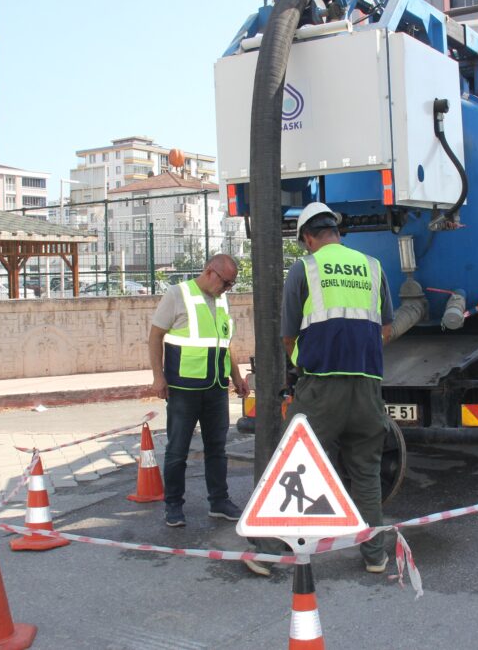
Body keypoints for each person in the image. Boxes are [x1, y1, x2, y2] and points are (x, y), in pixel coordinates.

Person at [245, 202, 395, 576]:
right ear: (336, 232)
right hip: (367, 389)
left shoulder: (305, 268)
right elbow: (386, 329)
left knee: (294, 466)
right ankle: (375, 555)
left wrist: (303, 361)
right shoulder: (373, 267)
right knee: (366, 473)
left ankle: (267, 553)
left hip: (320, 389)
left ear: (308, 237)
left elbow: (287, 335)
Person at [148, 254, 250, 528]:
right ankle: (173, 505)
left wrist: (237, 376)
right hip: (184, 388)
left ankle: (219, 501)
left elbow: (226, 342)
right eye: (225, 282)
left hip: (216, 386)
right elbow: (155, 335)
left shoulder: (222, 300)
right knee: (177, 449)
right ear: (209, 272)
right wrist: (159, 377)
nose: (227, 288)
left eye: (231, 285)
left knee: (217, 448)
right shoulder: (177, 294)